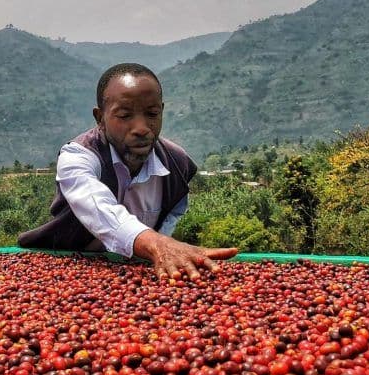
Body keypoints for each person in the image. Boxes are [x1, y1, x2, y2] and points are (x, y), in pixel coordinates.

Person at [18, 63, 237, 279]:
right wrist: (156, 245)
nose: (141, 128)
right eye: (124, 116)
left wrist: (160, 248)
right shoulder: (78, 157)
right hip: (69, 269)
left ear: (161, 111)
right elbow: (95, 204)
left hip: (137, 276)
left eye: (151, 114)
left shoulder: (178, 164)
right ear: (100, 118)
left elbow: (174, 212)